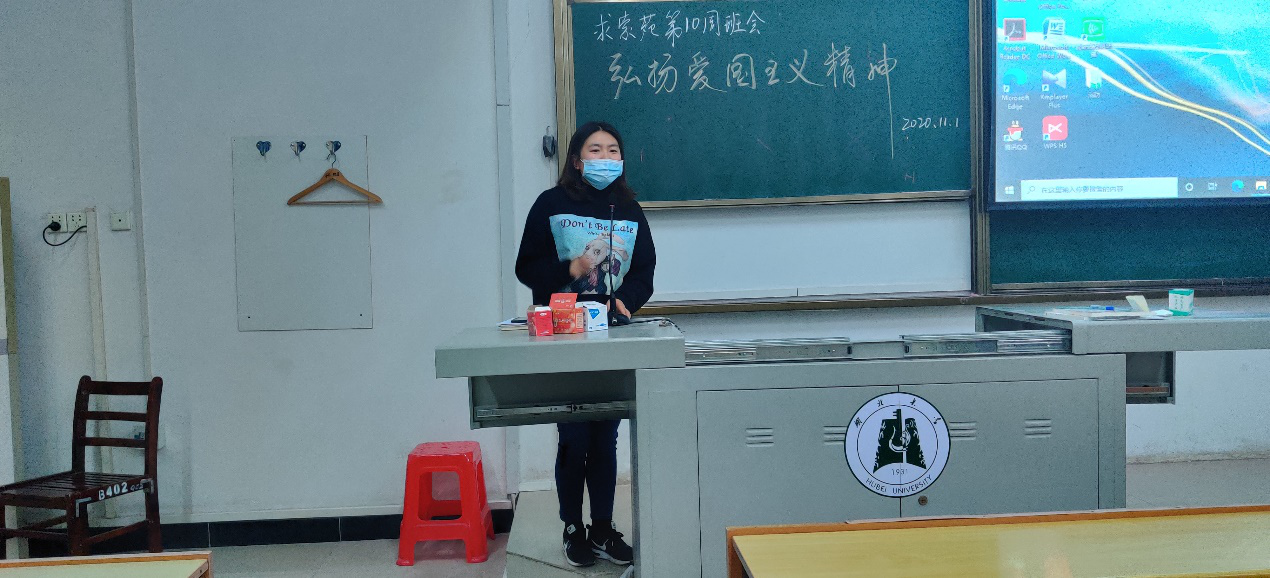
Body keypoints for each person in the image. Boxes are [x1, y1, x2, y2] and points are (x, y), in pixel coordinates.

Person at [514, 121, 656, 567]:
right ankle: (572, 527)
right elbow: (526, 267)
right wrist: (572, 269)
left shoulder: (628, 210)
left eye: (613, 150)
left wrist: (626, 300)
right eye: (596, 149)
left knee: (606, 436)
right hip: (564, 334)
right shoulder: (551, 204)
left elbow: (644, 272)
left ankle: (603, 528)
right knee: (574, 435)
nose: (605, 157)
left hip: (610, 337)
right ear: (577, 160)